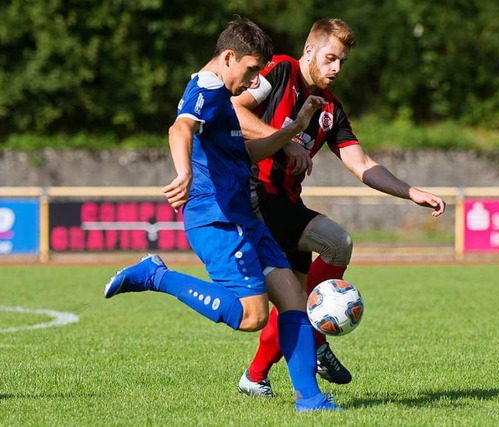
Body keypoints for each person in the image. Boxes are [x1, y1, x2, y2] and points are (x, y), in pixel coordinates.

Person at [103, 17, 340, 412]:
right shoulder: (207, 88)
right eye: (249, 71)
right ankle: (156, 276)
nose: (252, 83)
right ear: (229, 57)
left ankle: (311, 401)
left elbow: (247, 153)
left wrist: (293, 129)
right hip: (217, 219)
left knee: (293, 298)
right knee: (251, 317)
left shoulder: (225, 97)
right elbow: (179, 129)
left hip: (246, 216)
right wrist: (184, 171)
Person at [232, 18, 446, 397]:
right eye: (330, 58)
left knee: (293, 303)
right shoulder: (278, 69)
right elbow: (235, 110)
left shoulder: (331, 109)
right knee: (336, 241)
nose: (336, 68)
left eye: (342, 62)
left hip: (285, 201)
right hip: (253, 194)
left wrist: (411, 192)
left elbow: (361, 165)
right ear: (309, 50)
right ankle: (316, 343)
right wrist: (285, 140)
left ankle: (255, 376)